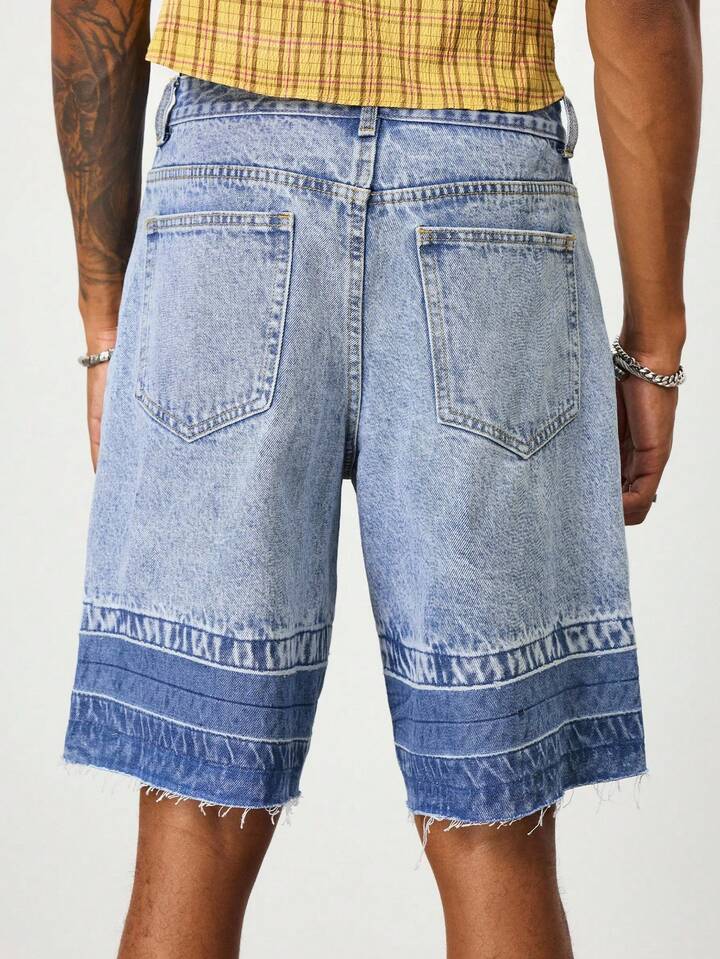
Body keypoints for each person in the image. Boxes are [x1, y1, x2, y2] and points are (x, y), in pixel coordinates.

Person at [51, 2, 701, 957]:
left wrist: (105, 312)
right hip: (485, 195)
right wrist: (655, 341)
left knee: (191, 819)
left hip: (226, 192)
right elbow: (641, 16)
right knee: (495, 826)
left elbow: (92, 11)